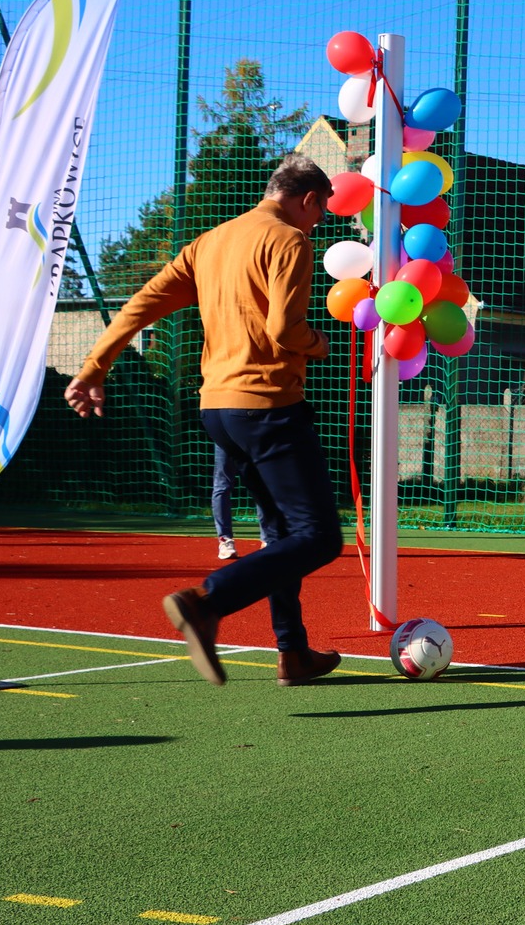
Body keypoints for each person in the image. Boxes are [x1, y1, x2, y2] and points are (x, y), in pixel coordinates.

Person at [64, 154, 346, 687]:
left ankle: (294, 653)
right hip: (267, 407)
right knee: (318, 538)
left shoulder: (210, 242)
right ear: (308, 199)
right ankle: (205, 601)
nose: (320, 222)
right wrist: (320, 344)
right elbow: (286, 329)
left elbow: (141, 305)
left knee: (282, 534)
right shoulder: (290, 240)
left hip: (217, 409)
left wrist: (93, 367)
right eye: (321, 211)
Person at [211, 442, 281, 560]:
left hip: (248, 435)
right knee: (222, 486)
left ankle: (267, 539)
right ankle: (225, 540)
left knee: (260, 485)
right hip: (225, 438)